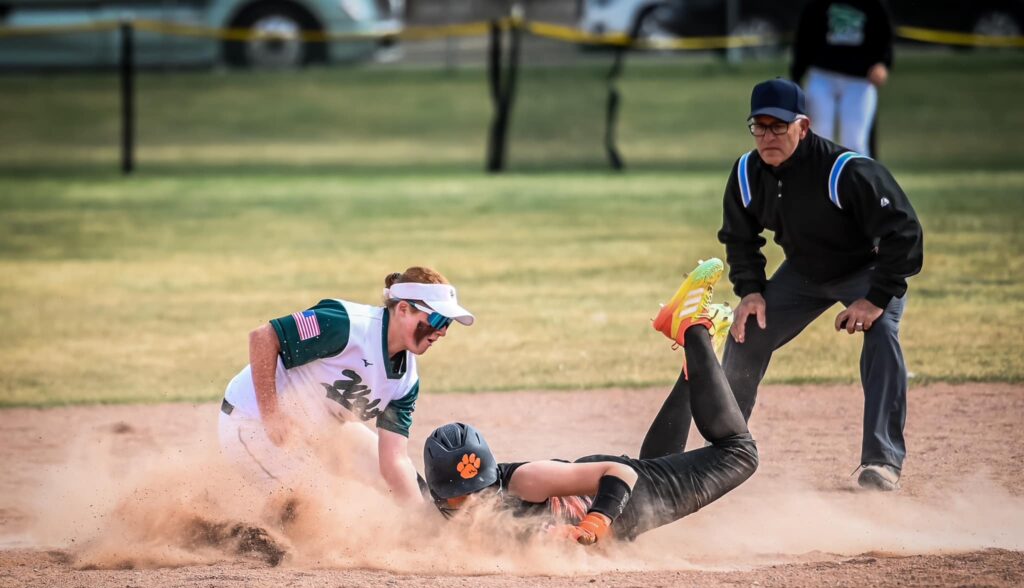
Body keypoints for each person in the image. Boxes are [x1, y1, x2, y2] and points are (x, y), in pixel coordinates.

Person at [421, 260, 757, 545]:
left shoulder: (525, 482)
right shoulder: (438, 512)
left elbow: (621, 473)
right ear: (439, 497)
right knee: (660, 463)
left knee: (739, 453)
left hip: (625, 499)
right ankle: (696, 363)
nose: (471, 504)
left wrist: (593, 524)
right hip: (605, 503)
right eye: (458, 498)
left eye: (478, 492)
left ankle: (692, 326)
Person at [718, 78, 923, 491]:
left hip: (867, 270)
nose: (768, 136)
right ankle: (721, 453)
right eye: (759, 126)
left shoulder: (846, 171)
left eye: (779, 126)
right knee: (746, 334)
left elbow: (905, 234)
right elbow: (740, 238)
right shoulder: (746, 172)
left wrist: (875, 298)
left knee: (882, 331)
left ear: (804, 126)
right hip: (805, 272)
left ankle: (882, 462)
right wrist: (751, 292)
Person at [218, 267, 474, 505]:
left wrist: (419, 519)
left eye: (448, 324)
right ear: (404, 309)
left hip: (318, 433)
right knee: (308, 512)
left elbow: (394, 460)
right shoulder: (346, 324)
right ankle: (222, 535)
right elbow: (263, 337)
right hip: (252, 423)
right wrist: (271, 414)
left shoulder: (406, 380)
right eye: (438, 320)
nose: (442, 332)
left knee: (414, 491)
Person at [791, 0, 893, 156]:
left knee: (855, 141)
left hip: (859, 79)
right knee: (818, 137)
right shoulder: (818, 4)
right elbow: (804, 37)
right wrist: (796, 77)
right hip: (822, 75)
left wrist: (883, 63)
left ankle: (858, 179)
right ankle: (818, 179)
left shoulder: (873, 5)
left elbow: (884, 34)